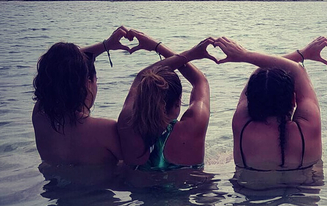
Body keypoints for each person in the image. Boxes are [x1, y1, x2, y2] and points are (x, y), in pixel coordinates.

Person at [213, 36, 327, 171]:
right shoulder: (308, 127)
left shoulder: (242, 125)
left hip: (248, 191)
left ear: (251, 101)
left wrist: (301, 54)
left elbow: (260, 71)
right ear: (293, 100)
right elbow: (298, 71)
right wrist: (245, 55)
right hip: (302, 190)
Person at [32, 26, 133, 166]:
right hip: (99, 188)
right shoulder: (104, 130)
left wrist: (106, 45)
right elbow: (139, 164)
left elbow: (58, 68)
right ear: (88, 82)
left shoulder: (39, 115)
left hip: (52, 188)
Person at [117, 31, 214, 171]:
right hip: (187, 190)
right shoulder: (193, 126)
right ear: (176, 104)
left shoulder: (127, 123)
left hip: (139, 191)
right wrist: (158, 47)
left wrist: (189, 54)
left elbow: (141, 77)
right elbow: (200, 81)